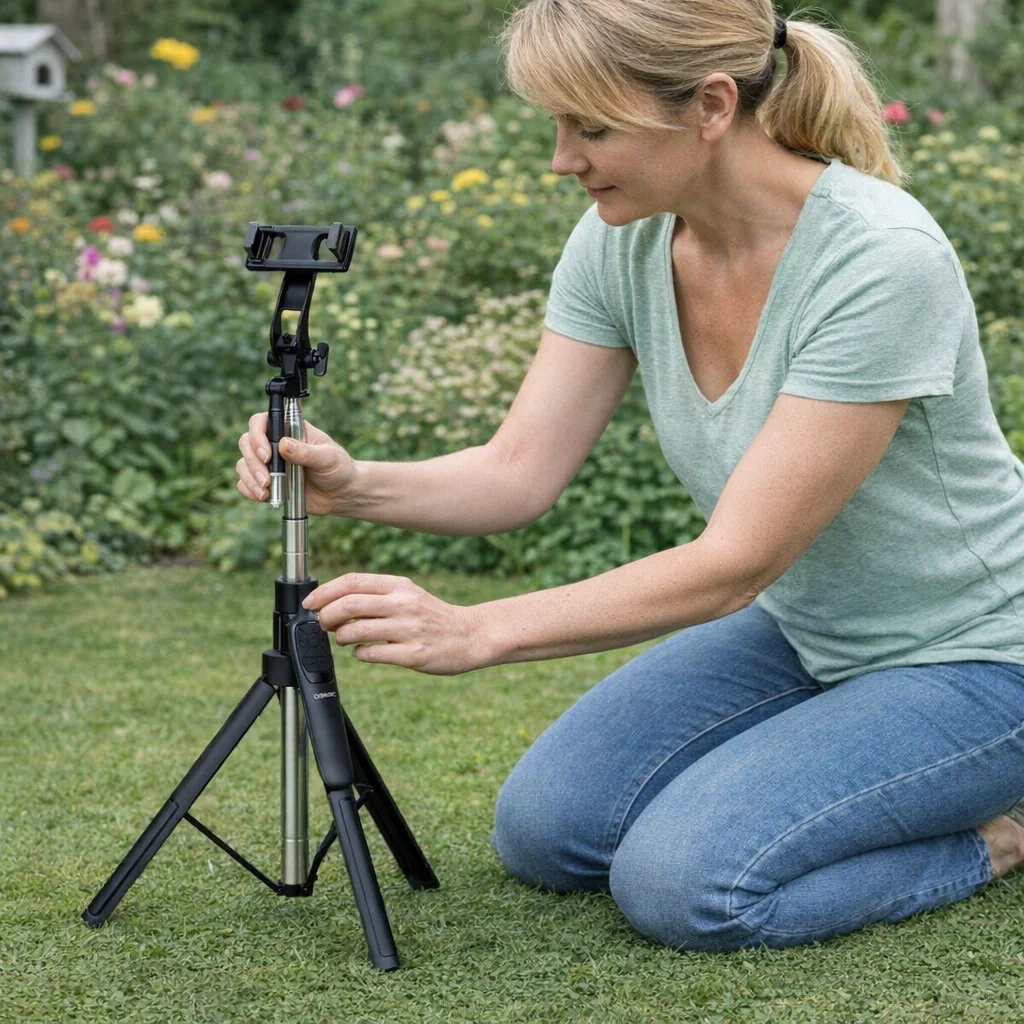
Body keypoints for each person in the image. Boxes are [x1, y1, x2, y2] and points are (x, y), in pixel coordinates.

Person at [236, 0, 1024, 952]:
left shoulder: (879, 262)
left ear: (712, 105)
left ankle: (995, 836)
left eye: (592, 126)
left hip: (978, 656)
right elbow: (516, 472)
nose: (562, 158)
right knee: (547, 835)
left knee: (686, 886)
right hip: (809, 633)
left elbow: (734, 564)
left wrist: (479, 628)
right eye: (559, 124)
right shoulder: (624, 236)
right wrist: (353, 481)